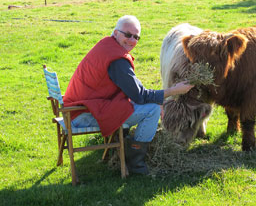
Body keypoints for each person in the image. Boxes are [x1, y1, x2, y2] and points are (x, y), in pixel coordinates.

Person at [63, 15, 193, 175]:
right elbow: (139, 95)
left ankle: (124, 147)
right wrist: (174, 91)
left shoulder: (107, 46)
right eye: (128, 35)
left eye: (136, 37)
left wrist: (156, 97)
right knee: (152, 110)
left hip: (79, 108)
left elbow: (134, 89)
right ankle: (134, 161)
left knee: (148, 103)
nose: (132, 40)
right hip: (81, 115)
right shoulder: (117, 60)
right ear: (116, 33)